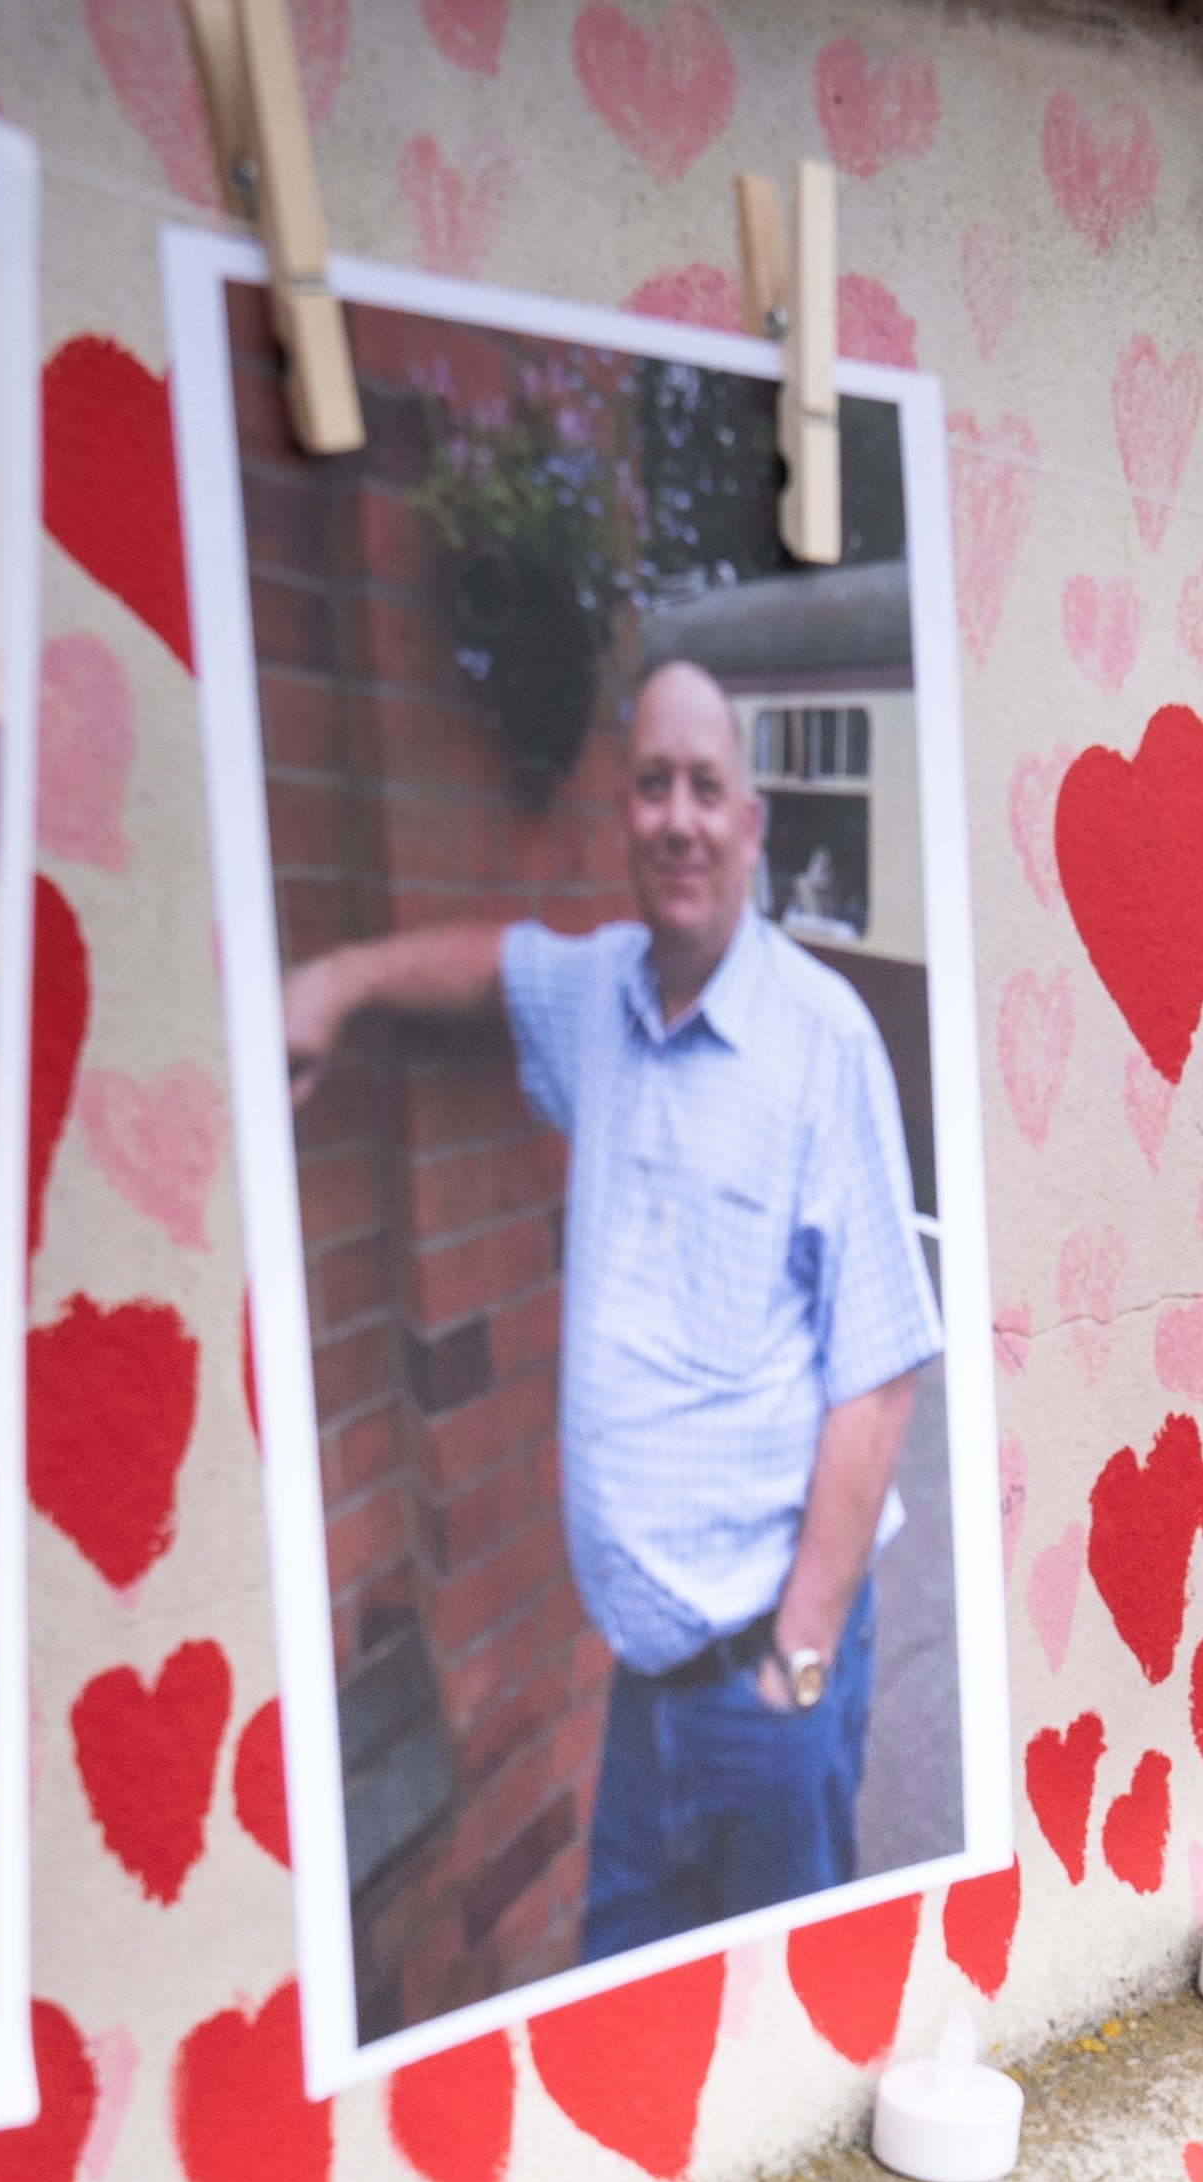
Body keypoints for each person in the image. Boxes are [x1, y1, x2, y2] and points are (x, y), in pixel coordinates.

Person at [282, 658, 940, 1958]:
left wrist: (797, 1667)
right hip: (647, 1704)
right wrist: (340, 981)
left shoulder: (823, 1044)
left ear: (750, 826)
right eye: (652, 787)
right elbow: (484, 964)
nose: (678, 817)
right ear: (621, 822)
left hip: (766, 1685)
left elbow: (876, 1377)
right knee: (629, 2028)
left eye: (707, 786)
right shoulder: (595, 1003)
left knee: (781, 2049)